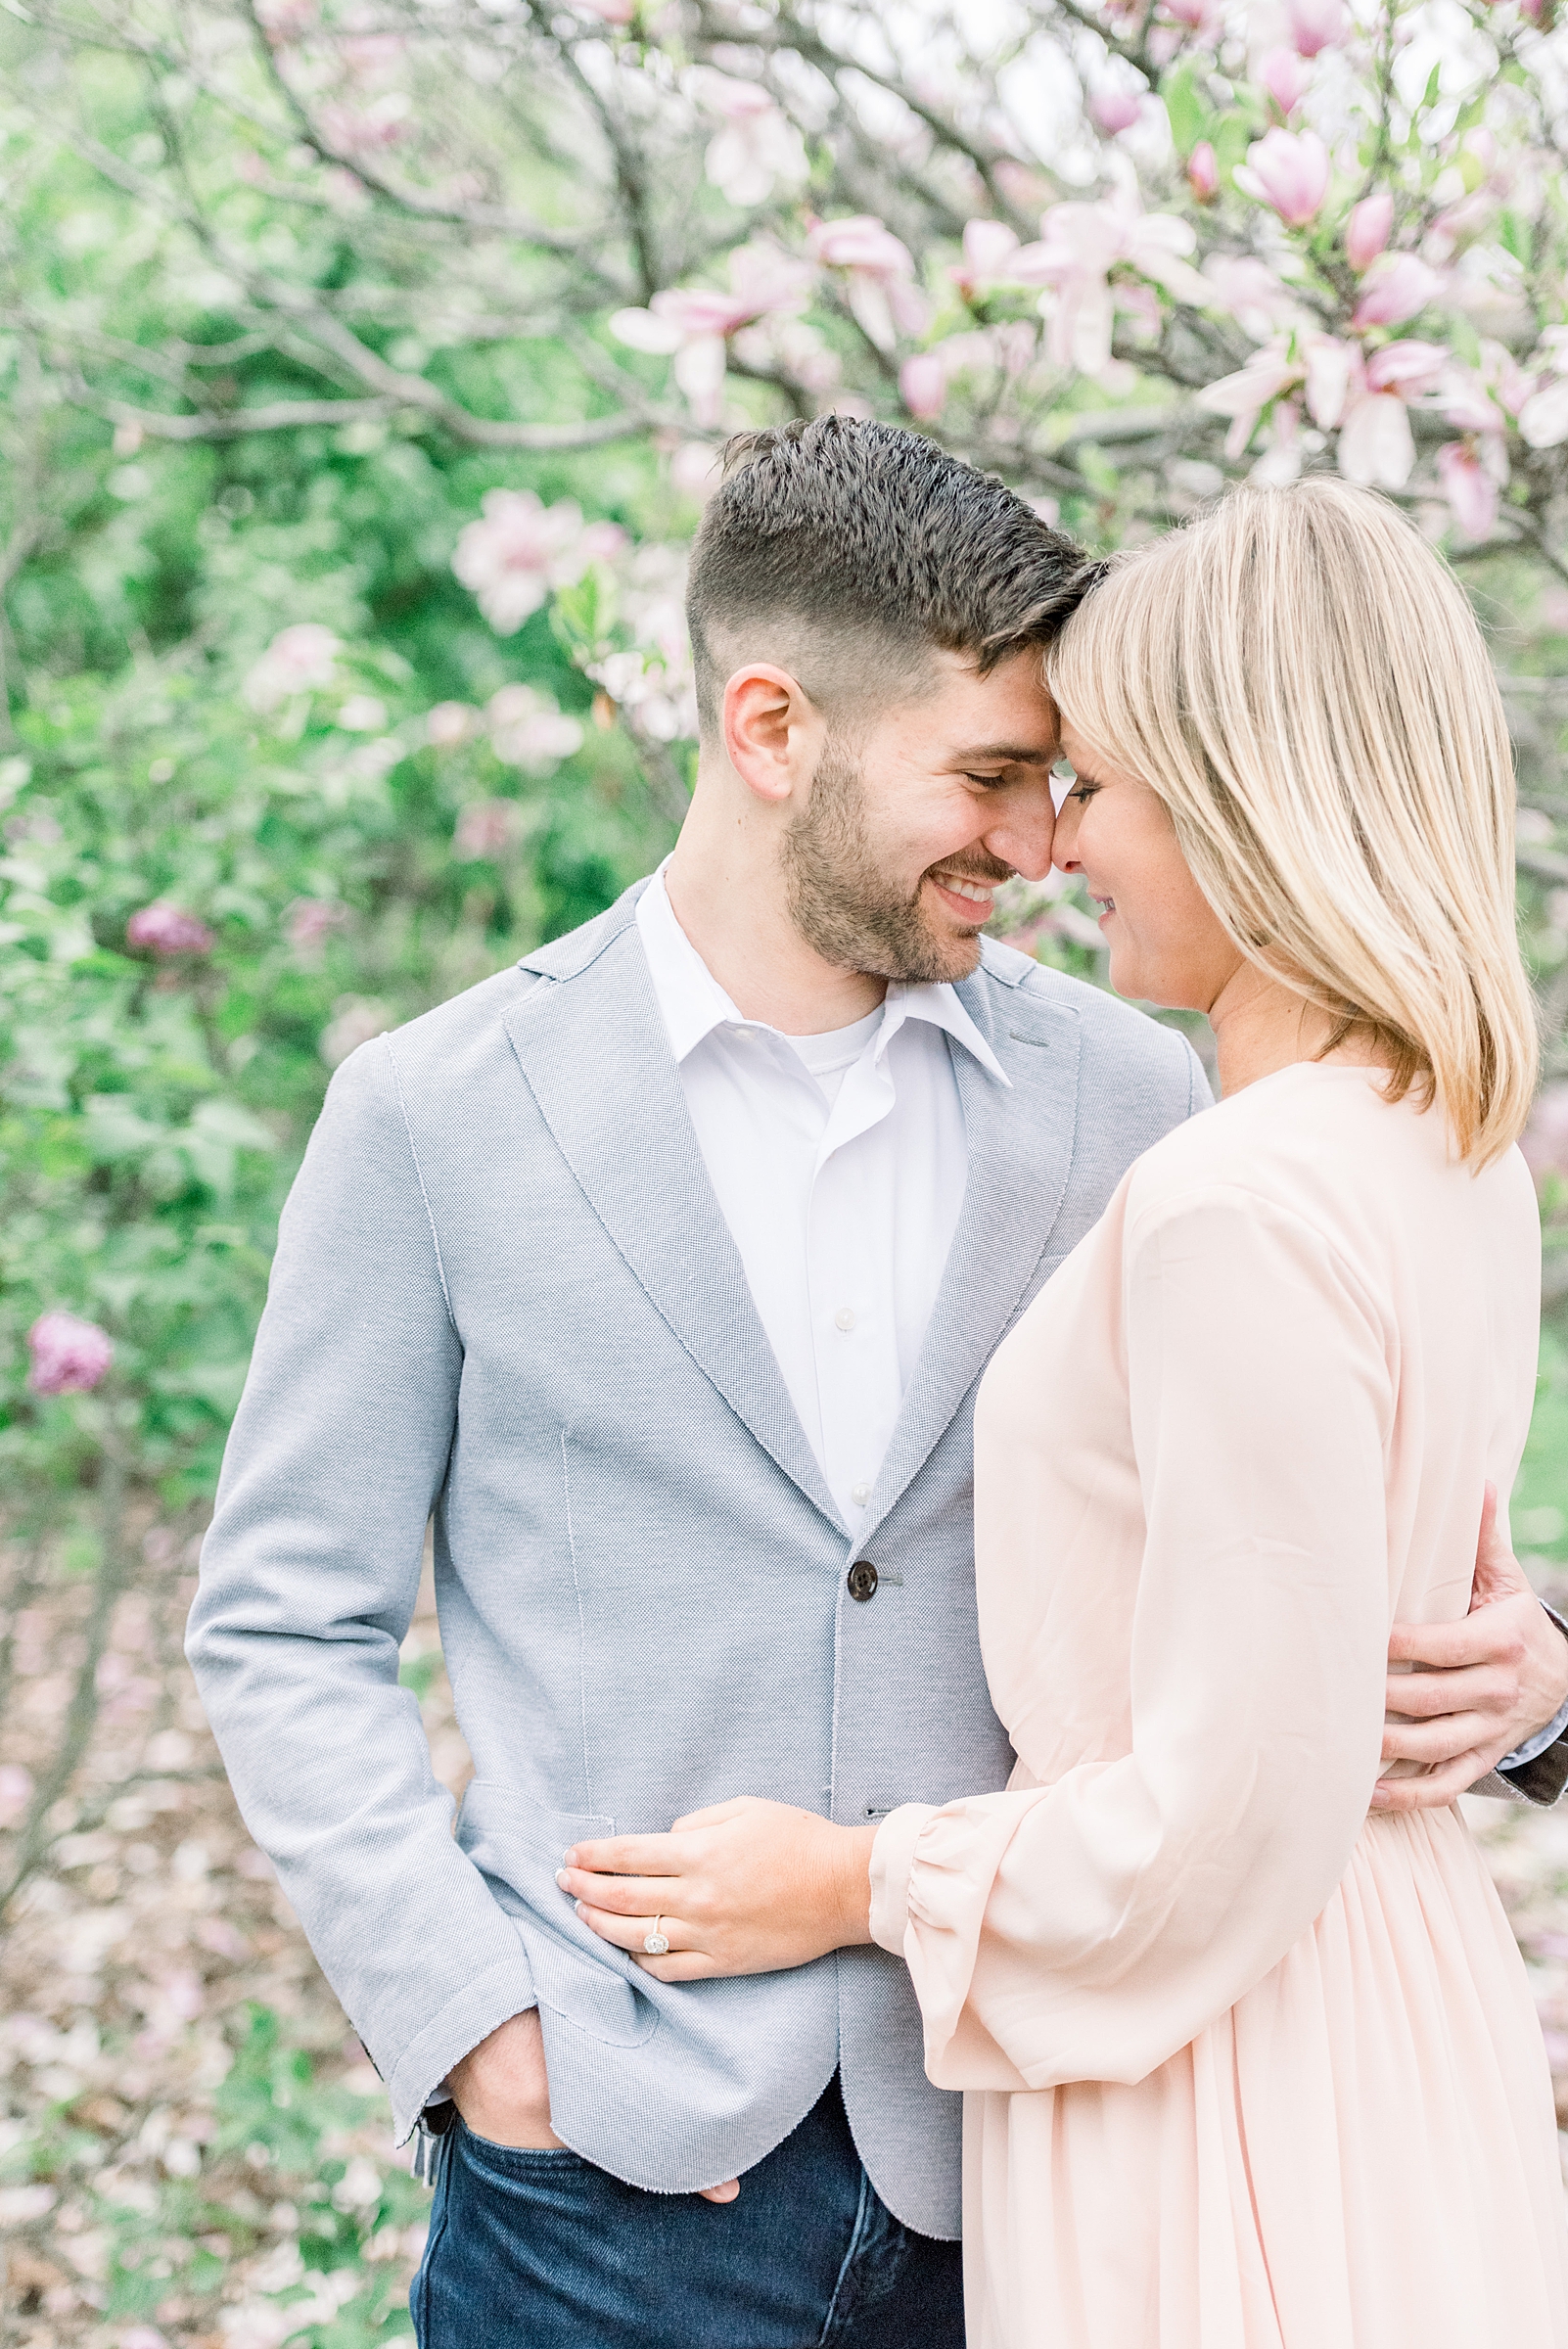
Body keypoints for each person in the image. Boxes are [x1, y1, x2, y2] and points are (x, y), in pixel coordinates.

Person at [187, 429, 1568, 2349]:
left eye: (1066, 782)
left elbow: (1303, 1547)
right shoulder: (434, 1122)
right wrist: (479, 2031)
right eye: (994, 777)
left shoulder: (1146, 1098)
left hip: (1039, 2159)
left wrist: (1538, 1663)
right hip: (607, 2194)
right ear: (772, 728)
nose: (1040, 840)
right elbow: (280, 1618)